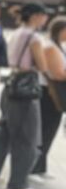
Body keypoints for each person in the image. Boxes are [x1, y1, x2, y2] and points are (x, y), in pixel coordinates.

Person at [0, 3, 50, 189]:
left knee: (3, 131)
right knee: (26, 136)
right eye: (43, 15)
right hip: (26, 88)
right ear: (37, 16)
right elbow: (43, 65)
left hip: (11, 83)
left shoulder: (17, 32)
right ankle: (18, 183)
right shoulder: (34, 37)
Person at [31, 16, 66, 180]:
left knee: (50, 130)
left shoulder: (58, 47)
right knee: (44, 130)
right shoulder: (51, 47)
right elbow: (58, 73)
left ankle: (40, 166)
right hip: (48, 93)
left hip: (52, 94)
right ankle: (33, 167)